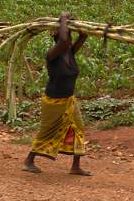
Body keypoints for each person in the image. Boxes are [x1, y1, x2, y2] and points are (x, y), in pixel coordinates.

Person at [23, 12, 90, 175]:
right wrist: (63, 19)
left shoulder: (70, 53)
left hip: (69, 100)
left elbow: (83, 36)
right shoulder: (52, 54)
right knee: (47, 132)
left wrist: (80, 28)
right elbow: (64, 40)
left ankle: (75, 166)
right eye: (67, 34)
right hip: (54, 101)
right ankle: (28, 161)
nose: (68, 39)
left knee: (78, 128)